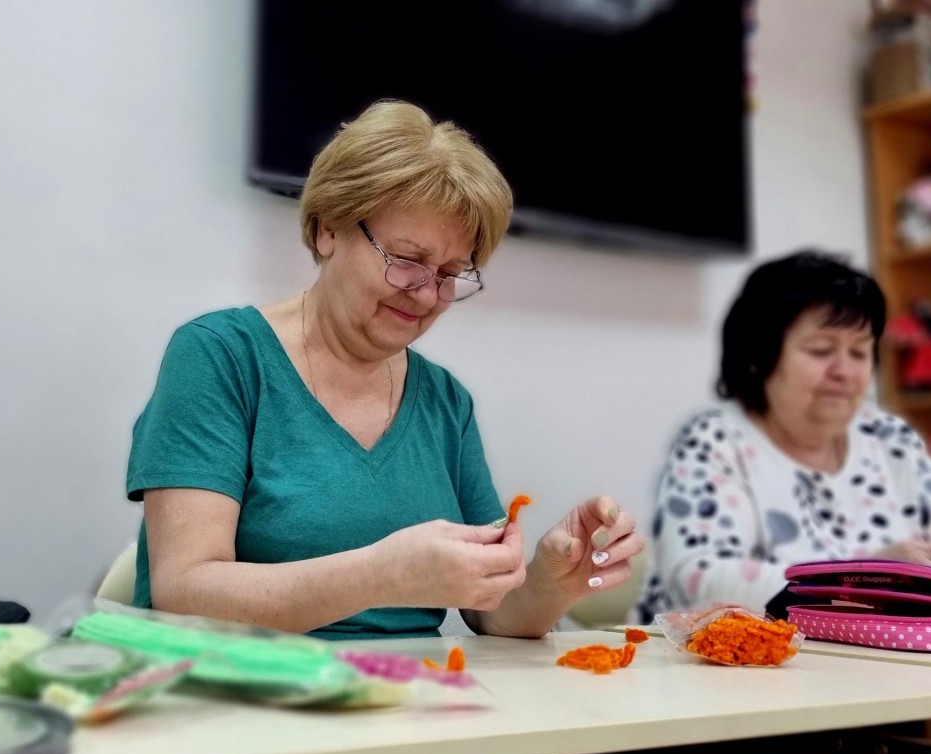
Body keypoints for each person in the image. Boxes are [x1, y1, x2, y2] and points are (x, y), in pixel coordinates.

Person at [125, 98, 644, 640]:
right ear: (329, 229)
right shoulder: (220, 356)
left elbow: (493, 611)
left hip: (401, 705)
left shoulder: (446, 401)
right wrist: (382, 575)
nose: (425, 294)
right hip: (240, 699)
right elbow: (183, 593)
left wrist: (559, 578)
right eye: (405, 260)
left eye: (449, 273)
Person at [629, 249, 931, 624]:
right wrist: (866, 576)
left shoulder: (890, 438)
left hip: (863, 665)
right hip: (711, 667)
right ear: (757, 355)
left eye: (859, 352)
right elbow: (699, 579)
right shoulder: (714, 441)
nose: (844, 371)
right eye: (821, 350)